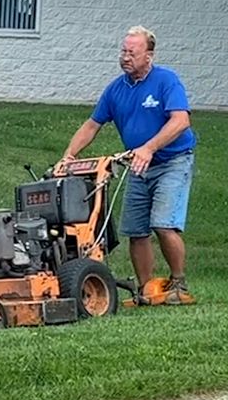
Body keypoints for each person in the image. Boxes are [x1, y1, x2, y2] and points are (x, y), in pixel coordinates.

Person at [61, 25, 196, 302]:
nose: (125, 57)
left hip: (172, 162)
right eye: (123, 51)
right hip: (138, 165)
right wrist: (68, 157)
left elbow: (181, 121)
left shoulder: (166, 80)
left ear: (149, 55)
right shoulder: (116, 89)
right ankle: (146, 290)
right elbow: (92, 125)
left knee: (163, 224)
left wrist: (149, 148)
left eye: (132, 53)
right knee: (136, 231)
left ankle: (179, 285)